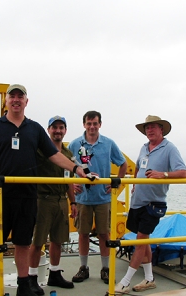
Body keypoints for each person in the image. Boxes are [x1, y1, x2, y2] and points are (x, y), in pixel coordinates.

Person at [0, 84, 87, 296]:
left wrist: (77, 168)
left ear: (26, 102)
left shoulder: (35, 129)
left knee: (23, 242)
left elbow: (54, 155)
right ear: (6, 101)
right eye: (12, 96)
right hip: (0, 193)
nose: (16, 100)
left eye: (20, 97)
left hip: (27, 194)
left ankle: (24, 285)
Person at [114, 115, 186, 294]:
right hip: (137, 202)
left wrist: (163, 175)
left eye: (153, 127)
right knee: (144, 240)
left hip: (154, 204)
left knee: (140, 241)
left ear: (161, 129)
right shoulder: (144, 148)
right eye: (147, 128)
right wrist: (135, 184)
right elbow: (139, 168)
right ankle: (149, 278)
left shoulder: (169, 148)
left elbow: (183, 173)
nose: (150, 130)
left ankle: (125, 282)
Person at [68, 110, 128, 285]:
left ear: (100, 124)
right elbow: (66, 167)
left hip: (103, 198)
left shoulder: (108, 144)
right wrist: (72, 184)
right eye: (89, 123)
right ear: (84, 125)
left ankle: (105, 268)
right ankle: (83, 268)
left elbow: (122, 163)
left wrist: (117, 182)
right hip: (82, 199)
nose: (92, 127)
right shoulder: (74, 144)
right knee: (83, 234)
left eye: (95, 123)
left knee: (104, 233)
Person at [28, 115, 77, 295]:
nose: (58, 131)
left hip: (61, 200)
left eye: (61, 127)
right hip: (43, 200)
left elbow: (69, 181)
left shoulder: (68, 155)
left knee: (58, 240)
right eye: (54, 127)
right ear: (48, 130)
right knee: (38, 240)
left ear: (65, 130)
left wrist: (73, 202)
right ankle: (31, 277)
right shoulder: (39, 150)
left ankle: (54, 273)